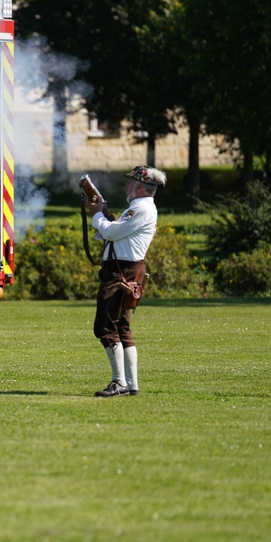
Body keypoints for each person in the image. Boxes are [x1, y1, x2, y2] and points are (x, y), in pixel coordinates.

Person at [86, 165, 166, 397]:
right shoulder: (138, 208)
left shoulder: (140, 209)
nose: (127, 187)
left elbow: (110, 233)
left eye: (131, 183)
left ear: (140, 187)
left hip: (120, 272)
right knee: (121, 328)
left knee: (105, 326)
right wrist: (105, 216)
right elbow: (114, 234)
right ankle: (131, 384)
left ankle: (119, 382)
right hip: (126, 271)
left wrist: (98, 214)